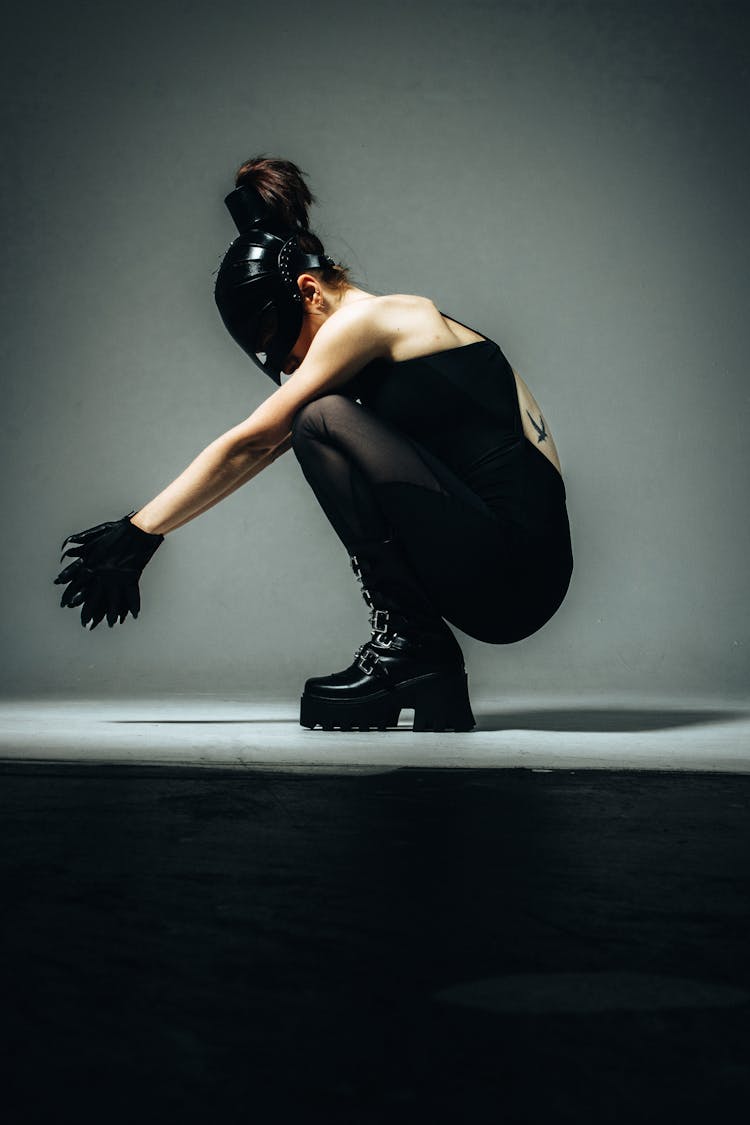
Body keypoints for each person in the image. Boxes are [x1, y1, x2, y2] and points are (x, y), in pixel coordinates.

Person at [54, 155, 574, 733]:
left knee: (318, 419)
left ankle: (413, 646)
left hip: (516, 565)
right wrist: (146, 532)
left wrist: (138, 532)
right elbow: (262, 451)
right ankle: (429, 673)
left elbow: (252, 441)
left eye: (285, 345)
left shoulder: (375, 320)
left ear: (309, 290)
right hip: (516, 566)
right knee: (317, 419)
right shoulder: (386, 341)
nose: (291, 365)